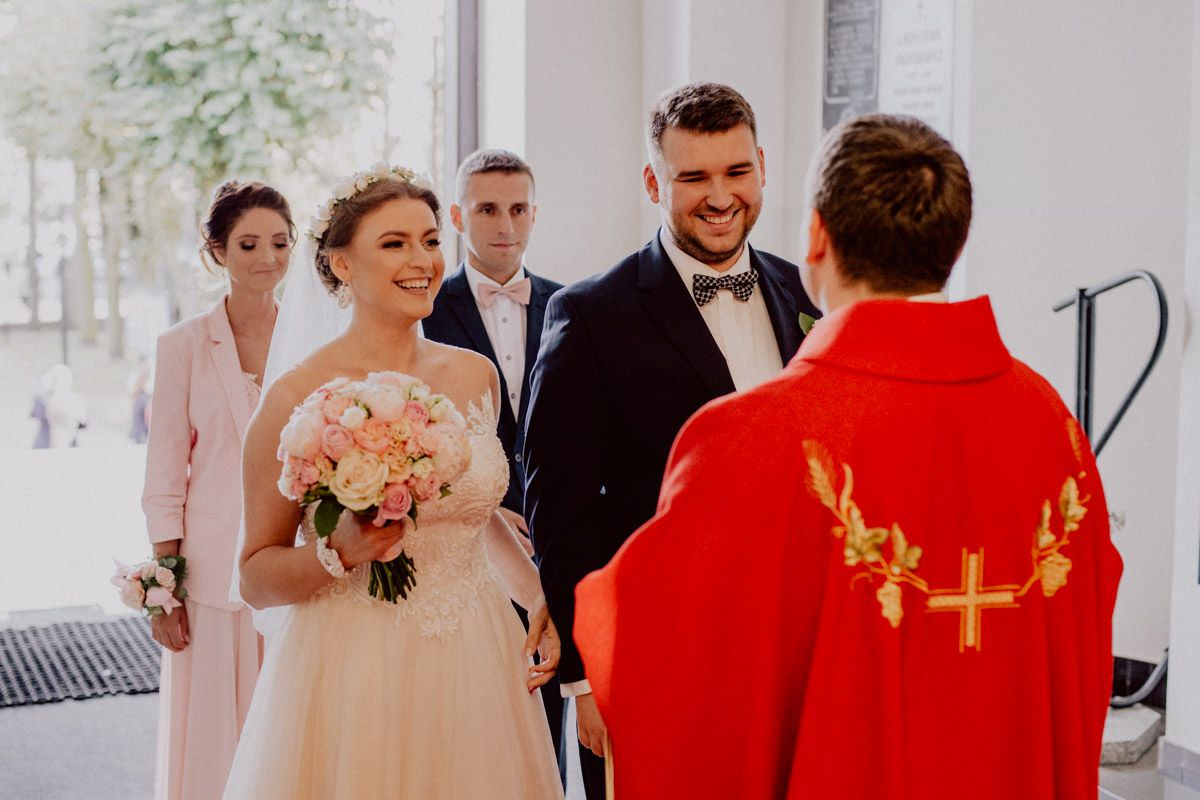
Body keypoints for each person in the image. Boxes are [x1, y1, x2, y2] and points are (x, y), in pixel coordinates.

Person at [574, 114, 1124, 798]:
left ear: (816, 237)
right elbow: (1083, 631)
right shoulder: (1051, 425)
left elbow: (662, 649)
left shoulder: (743, 437)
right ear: (950, 244)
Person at [223, 168, 563, 799]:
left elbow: (472, 515)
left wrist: (539, 594)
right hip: (358, 664)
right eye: (394, 243)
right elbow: (255, 576)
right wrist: (340, 550)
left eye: (431, 241)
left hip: (477, 652)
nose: (422, 260)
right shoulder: (299, 399)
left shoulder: (475, 375)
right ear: (341, 265)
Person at [523, 81, 819, 798]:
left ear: (763, 168)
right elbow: (559, 508)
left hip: (795, 647)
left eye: (736, 172)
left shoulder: (803, 291)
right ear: (655, 181)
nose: (720, 197)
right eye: (694, 178)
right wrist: (584, 678)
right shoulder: (591, 313)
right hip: (654, 652)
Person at [142, 180, 293, 800]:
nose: (268, 258)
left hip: (290, 568)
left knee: (284, 725)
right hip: (209, 574)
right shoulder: (181, 346)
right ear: (217, 252)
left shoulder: (311, 339)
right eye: (250, 243)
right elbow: (163, 472)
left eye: (280, 243)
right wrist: (162, 586)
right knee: (211, 738)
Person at [421, 149, 567, 781]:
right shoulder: (423, 308)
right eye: (486, 209)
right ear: (458, 215)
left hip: (552, 542)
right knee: (468, 712)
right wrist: (491, 500)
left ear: (535, 215)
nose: (504, 223)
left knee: (547, 708)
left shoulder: (572, 304)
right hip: (466, 544)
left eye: (517, 208)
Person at [30, 363, 86, 448]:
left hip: (46, 440)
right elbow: (82, 422)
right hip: (67, 440)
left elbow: (36, 414)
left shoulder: (43, 399)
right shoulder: (74, 399)